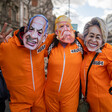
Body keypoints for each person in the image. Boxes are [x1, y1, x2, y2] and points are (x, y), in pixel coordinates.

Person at [0, 14, 48, 112]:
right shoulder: (6, 45)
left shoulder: (43, 44)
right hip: (19, 103)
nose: (33, 35)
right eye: (31, 29)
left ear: (44, 37)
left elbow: (63, 34)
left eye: (39, 32)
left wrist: (76, 33)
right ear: (26, 28)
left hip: (40, 101)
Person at [45, 15, 84, 112]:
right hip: (50, 96)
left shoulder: (79, 43)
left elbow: (96, 46)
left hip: (70, 97)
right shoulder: (50, 43)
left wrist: (77, 33)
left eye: (67, 26)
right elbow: (32, 48)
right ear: (56, 31)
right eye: (61, 26)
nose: (65, 29)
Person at [80, 17, 112, 112]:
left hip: (105, 106)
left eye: (98, 37)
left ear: (102, 40)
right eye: (91, 35)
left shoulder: (107, 53)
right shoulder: (85, 52)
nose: (93, 40)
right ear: (85, 36)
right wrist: (77, 34)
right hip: (89, 106)